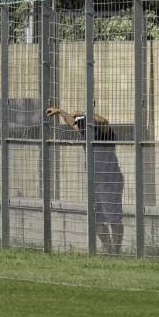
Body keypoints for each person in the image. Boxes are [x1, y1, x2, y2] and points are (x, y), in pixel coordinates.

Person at [46, 106, 124, 254]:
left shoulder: (105, 133)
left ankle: (116, 250)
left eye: (83, 123)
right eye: (80, 124)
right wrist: (61, 112)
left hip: (110, 181)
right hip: (95, 181)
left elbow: (104, 121)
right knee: (96, 219)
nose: (80, 126)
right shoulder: (85, 132)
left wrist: (83, 114)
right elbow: (72, 123)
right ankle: (109, 250)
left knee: (113, 218)